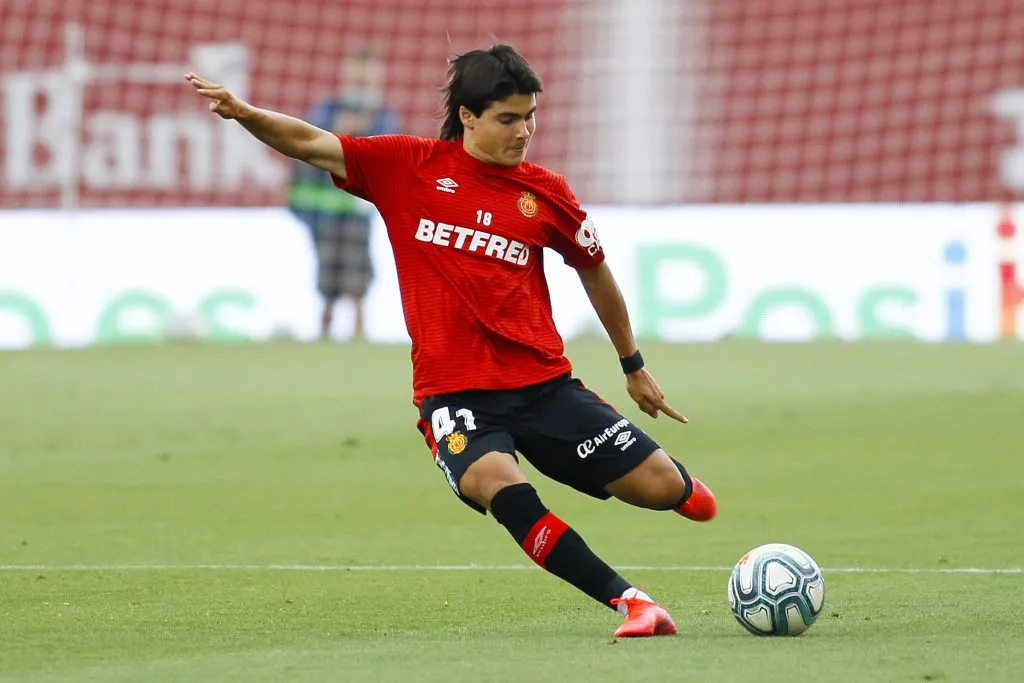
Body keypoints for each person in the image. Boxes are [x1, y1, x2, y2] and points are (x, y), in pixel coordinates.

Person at [185, 43, 717, 638]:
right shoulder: (407, 167)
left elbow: (593, 267)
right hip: (455, 396)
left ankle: (682, 486)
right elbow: (312, 142)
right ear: (468, 115)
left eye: (531, 116)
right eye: (509, 119)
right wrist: (244, 111)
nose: (525, 131)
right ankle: (633, 604)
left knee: (664, 489)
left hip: (543, 386)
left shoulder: (545, 193)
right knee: (501, 488)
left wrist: (633, 363)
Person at [287, 50, 401, 341]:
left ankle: (359, 334)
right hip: (325, 210)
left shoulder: (383, 116)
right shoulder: (327, 111)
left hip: (358, 208)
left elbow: (390, 150)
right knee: (326, 274)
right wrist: (339, 133)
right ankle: (324, 332)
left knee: (358, 274)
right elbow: (308, 145)